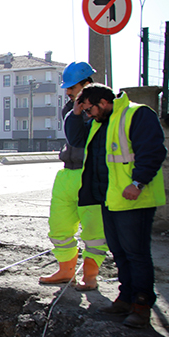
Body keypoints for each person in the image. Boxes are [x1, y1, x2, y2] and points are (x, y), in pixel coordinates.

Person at [67, 83, 167, 328]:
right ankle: (125, 298)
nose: (88, 115)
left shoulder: (137, 114)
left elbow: (153, 151)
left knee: (136, 254)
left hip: (134, 199)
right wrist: (77, 112)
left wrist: (138, 182)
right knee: (120, 253)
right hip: (109, 198)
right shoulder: (100, 122)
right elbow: (77, 139)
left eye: (89, 109)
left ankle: (141, 305)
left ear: (103, 102)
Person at [39, 62, 108, 290]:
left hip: (91, 174)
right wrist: (76, 112)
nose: (68, 91)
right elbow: (74, 137)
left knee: (94, 231)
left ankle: (90, 276)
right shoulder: (70, 109)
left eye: (72, 87)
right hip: (68, 172)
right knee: (59, 226)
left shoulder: (104, 110)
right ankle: (66, 270)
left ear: (87, 84)